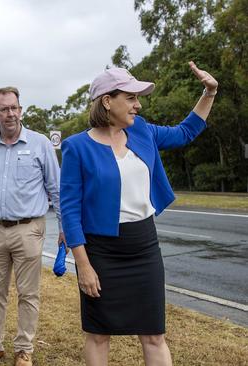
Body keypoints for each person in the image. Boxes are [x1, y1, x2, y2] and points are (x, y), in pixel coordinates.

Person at [60, 62, 218, 366]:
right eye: (131, 97)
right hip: (100, 251)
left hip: (144, 246)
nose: (138, 104)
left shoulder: (143, 130)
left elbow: (185, 132)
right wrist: (83, 266)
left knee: (154, 334)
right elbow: (69, 209)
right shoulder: (77, 147)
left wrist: (209, 93)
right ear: (108, 101)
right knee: (98, 334)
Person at [0, 86, 63, 366]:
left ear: (20, 109)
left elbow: (56, 189)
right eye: (4, 109)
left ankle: (24, 350)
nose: (10, 114)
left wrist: (66, 227)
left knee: (28, 294)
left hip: (28, 229)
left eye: (14, 107)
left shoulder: (40, 143)